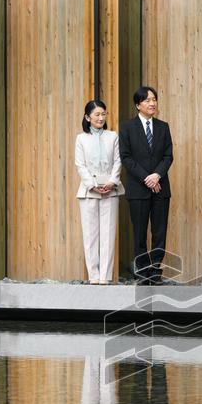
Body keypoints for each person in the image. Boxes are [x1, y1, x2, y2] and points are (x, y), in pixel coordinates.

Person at [120, 86, 174, 285]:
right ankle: (142, 272)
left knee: (159, 232)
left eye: (154, 99)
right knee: (140, 233)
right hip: (138, 189)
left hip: (161, 189)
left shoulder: (163, 127)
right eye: (147, 100)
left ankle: (156, 271)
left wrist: (157, 175)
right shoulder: (127, 128)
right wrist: (147, 178)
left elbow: (168, 156)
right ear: (138, 105)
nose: (152, 103)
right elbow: (126, 157)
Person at [74, 100, 123, 284]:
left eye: (104, 114)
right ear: (87, 117)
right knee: (90, 235)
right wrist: (92, 184)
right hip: (88, 191)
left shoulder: (113, 136)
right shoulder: (81, 138)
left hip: (111, 189)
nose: (101, 118)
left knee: (108, 235)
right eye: (97, 115)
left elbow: (118, 161)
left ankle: (105, 277)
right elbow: (80, 164)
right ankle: (93, 277)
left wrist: (111, 182)